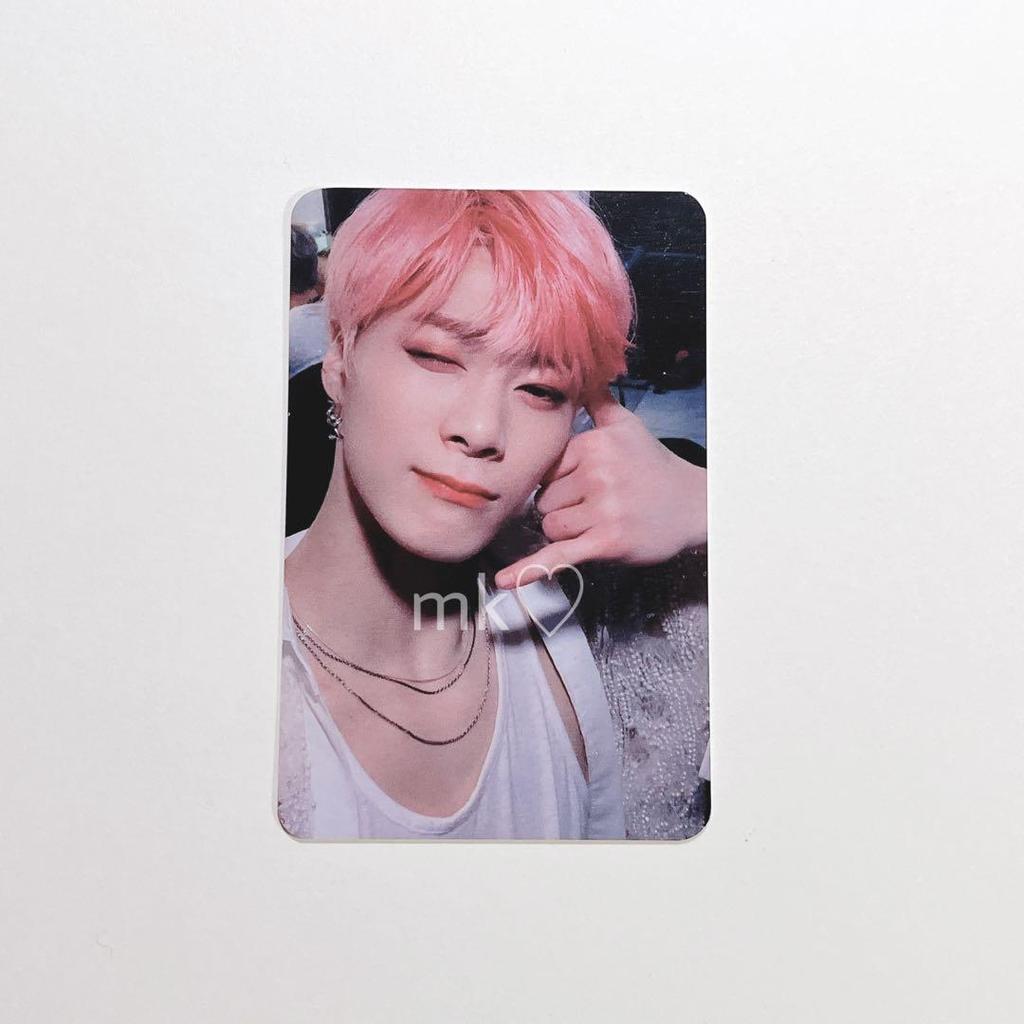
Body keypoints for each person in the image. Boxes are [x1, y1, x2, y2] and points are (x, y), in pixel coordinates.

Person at [278, 190, 708, 840]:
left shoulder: (600, 631)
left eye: (540, 389)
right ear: (339, 357)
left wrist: (708, 504)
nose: (482, 429)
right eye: (435, 356)